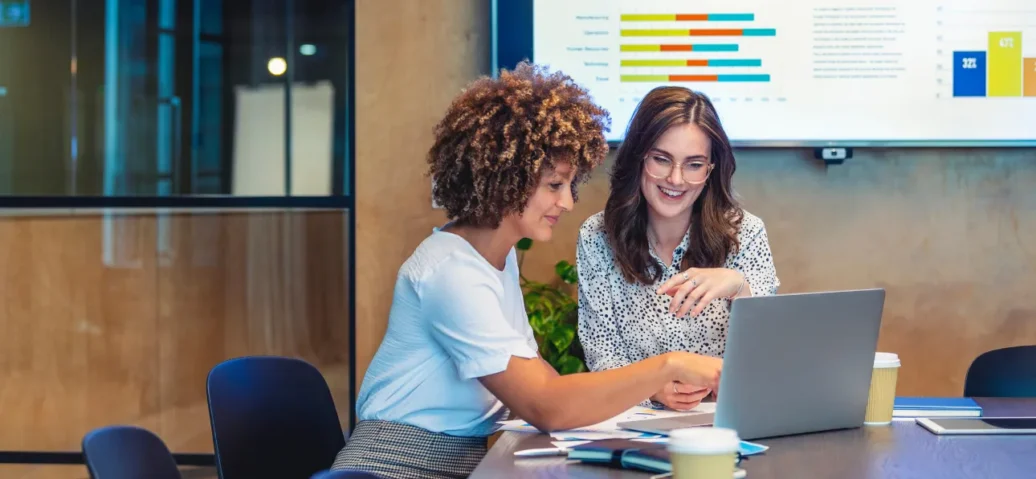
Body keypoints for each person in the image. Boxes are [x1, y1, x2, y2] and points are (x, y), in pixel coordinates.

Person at [330, 64, 724, 479]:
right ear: (506, 180)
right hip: (392, 467)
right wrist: (669, 365)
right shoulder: (450, 272)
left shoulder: (496, 258)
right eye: (554, 186)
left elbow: (542, 380)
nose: (567, 204)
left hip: (461, 462)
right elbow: (545, 403)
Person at [576, 86, 779, 413]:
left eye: (694, 164)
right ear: (639, 158)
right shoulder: (597, 237)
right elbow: (602, 352)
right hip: (634, 422)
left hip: (726, 421)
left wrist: (740, 287)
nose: (676, 179)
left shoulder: (746, 232)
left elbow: (769, 354)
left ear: (711, 170)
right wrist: (652, 390)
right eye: (661, 159)